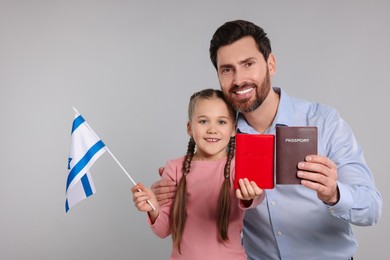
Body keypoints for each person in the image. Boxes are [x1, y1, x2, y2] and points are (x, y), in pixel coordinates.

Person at [151, 20, 383, 260]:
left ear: (270, 64)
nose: (239, 79)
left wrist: (334, 193)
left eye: (248, 64)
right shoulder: (220, 136)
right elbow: (200, 190)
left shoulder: (323, 122)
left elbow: (372, 209)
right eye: (227, 69)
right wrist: (174, 190)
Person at [132, 88, 264, 260]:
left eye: (221, 122)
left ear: (233, 129)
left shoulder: (239, 167)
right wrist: (153, 208)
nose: (212, 129)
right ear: (189, 128)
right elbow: (163, 230)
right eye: (203, 121)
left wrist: (251, 195)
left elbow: (255, 199)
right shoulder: (174, 168)